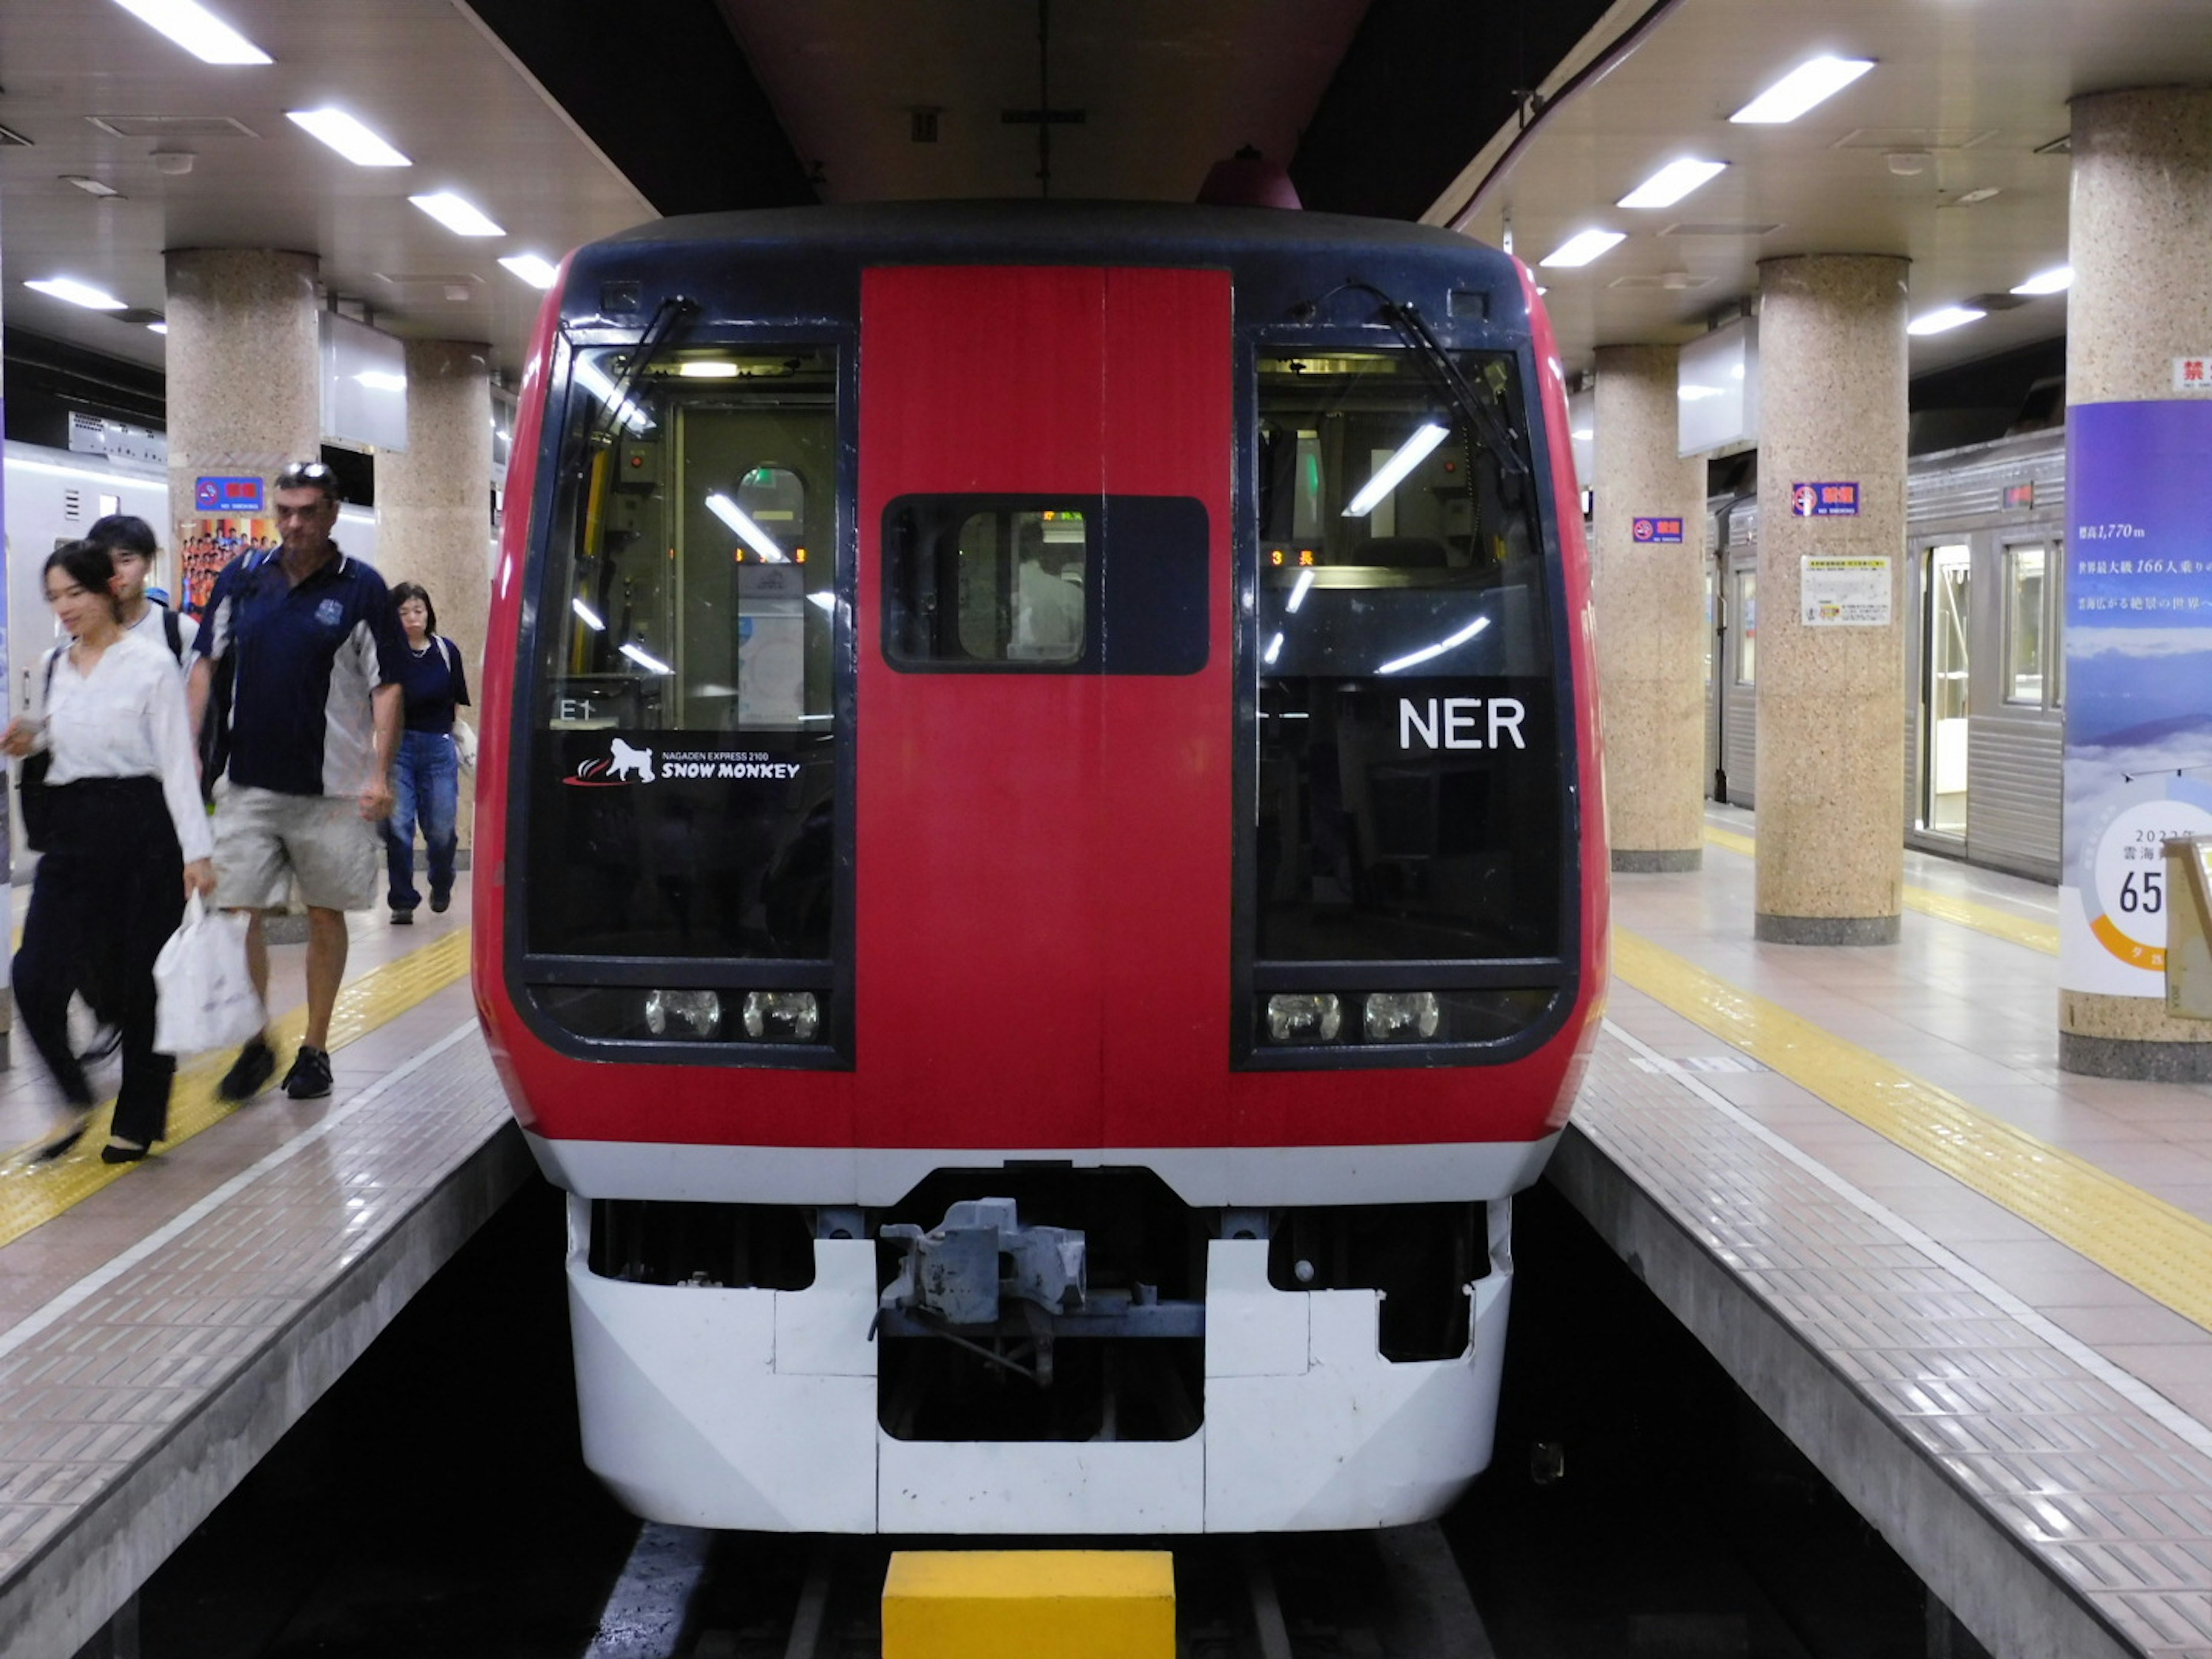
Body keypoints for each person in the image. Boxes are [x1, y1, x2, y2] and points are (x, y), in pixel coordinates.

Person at [188, 460, 405, 1103]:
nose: (294, 523)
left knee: (323, 913)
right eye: (285, 510)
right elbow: (205, 665)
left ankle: (314, 1047)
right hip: (247, 783)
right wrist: (185, 753)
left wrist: (378, 773)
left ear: (333, 512)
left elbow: (387, 684)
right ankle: (256, 1040)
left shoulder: (362, 588)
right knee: (235, 911)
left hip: (333, 790)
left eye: (308, 511)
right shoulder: (245, 578)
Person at [3, 542, 218, 1162]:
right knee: (35, 977)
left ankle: (139, 1117)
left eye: (75, 593)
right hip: (72, 836)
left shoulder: (151, 664)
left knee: (146, 982)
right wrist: (31, 735)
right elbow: (61, 732)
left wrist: (196, 853)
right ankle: (75, 1099)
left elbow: (178, 763)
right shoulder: (52, 666)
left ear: (108, 590)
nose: (65, 608)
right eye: (55, 598)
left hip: (143, 832)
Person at [382, 582, 471, 924]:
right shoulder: (387, 654)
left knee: (441, 826)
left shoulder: (446, 652)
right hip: (399, 747)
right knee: (399, 825)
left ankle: (442, 880)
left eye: (417, 610)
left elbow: (455, 703)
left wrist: (450, 738)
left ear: (428, 613)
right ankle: (402, 900)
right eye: (403, 612)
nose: (411, 618)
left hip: (437, 746)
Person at [84, 513, 198, 669]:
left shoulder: (180, 630)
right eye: (104, 562)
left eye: (126, 560)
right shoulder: (82, 630)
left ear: (149, 562)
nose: (115, 572)